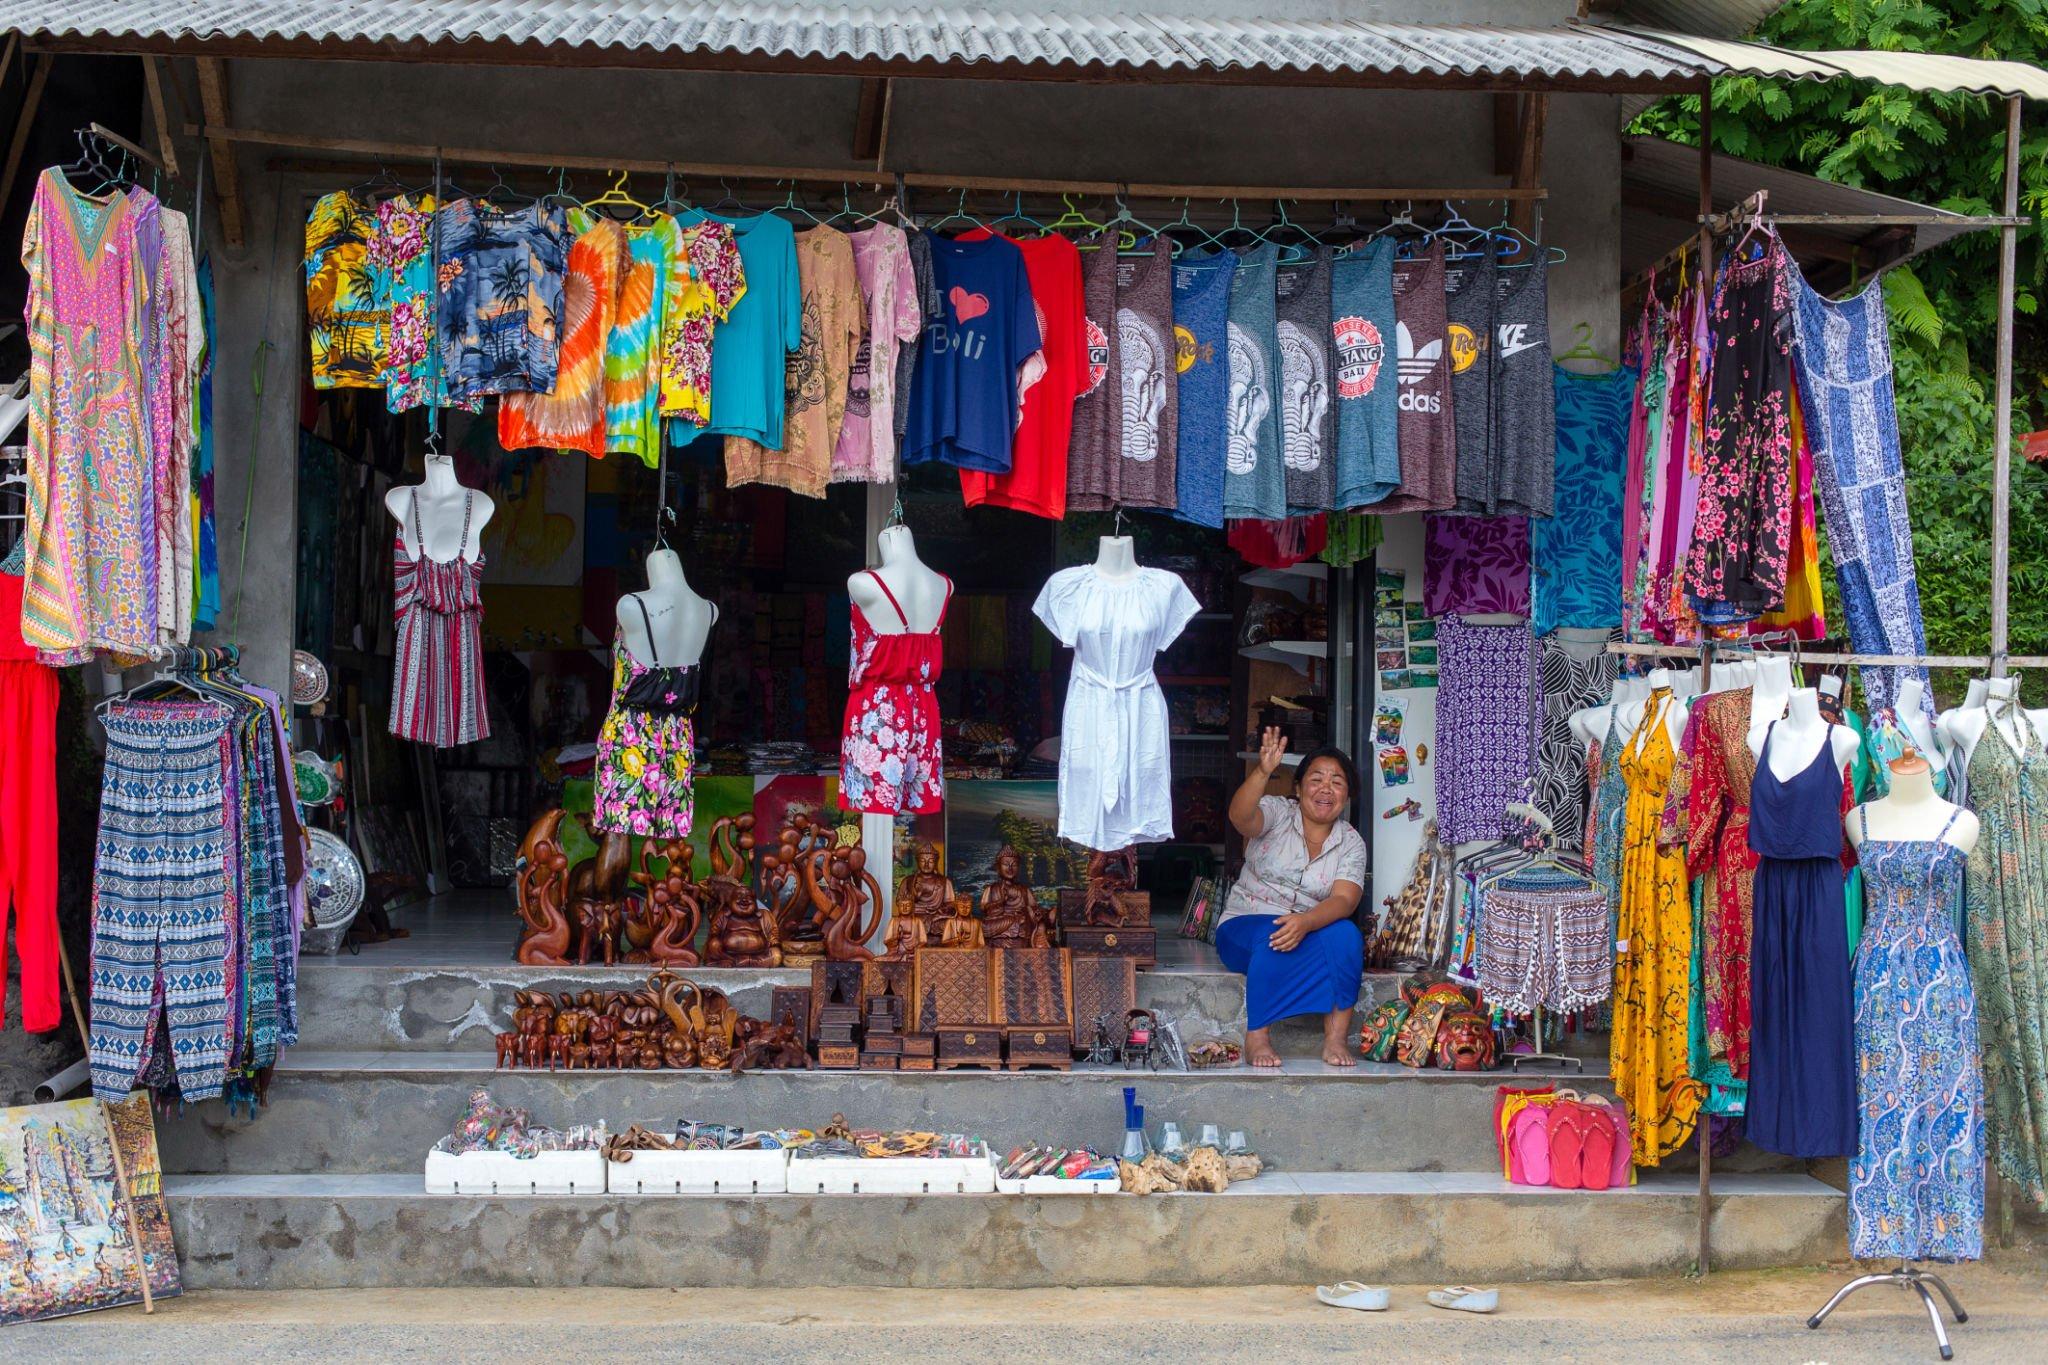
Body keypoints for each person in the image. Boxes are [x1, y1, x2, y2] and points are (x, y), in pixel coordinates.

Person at [1217, 728, 1368, 1067]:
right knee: (1276, 935)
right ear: (1298, 788)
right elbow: (1240, 817)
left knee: (1346, 935)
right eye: (1316, 779)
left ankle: (1335, 1039)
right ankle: (1257, 1036)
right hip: (1244, 925)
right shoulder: (1277, 812)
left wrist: (1305, 922)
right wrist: (1263, 771)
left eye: (1337, 782)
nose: (1326, 789)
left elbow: (1345, 900)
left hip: (1306, 929)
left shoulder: (1351, 842)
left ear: (1347, 795)